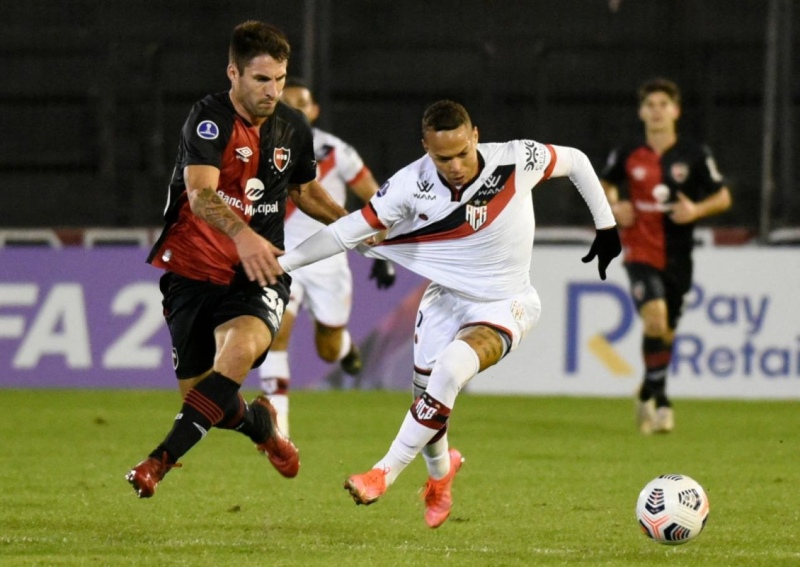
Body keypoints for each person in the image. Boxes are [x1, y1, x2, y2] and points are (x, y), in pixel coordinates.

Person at [276, 100, 622, 528]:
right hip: (443, 301)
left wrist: (606, 227)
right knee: (428, 404)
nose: (456, 165)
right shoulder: (407, 184)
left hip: (506, 302)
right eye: (443, 157)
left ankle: (382, 472)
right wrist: (280, 264)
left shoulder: (516, 159)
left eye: (463, 152)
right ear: (426, 147)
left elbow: (577, 161)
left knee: (451, 370)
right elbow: (347, 232)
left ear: (475, 135)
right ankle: (441, 476)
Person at [125, 20, 349, 498]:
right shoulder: (207, 120)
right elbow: (201, 193)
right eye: (262, 79)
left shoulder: (294, 126)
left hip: (257, 273)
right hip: (192, 268)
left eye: (281, 79)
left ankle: (157, 462)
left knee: (241, 353)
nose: (273, 91)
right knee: (205, 398)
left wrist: (356, 225)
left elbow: (304, 189)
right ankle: (261, 426)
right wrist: (243, 234)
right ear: (234, 73)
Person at [257, 78, 396, 436]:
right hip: (279, 255)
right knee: (275, 334)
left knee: (328, 348)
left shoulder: (336, 152)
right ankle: (279, 431)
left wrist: (385, 254)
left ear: (314, 110)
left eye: (301, 103)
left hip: (327, 259)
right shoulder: (256, 143)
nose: (294, 109)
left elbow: (375, 199)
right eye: (287, 103)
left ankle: (344, 346)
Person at [600, 78, 732, 435]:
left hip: (678, 255)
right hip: (639, 250)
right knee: (655, 320)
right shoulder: (628, 152)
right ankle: (663, 405)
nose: (657, 110)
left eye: (664, 104)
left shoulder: (694, 154)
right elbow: (604, 183)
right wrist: (614, 205)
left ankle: (647, 390)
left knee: (666, 333)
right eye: (651, 104)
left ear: (676, 110)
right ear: (642, 111)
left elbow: (722, 197)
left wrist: (696, 210)